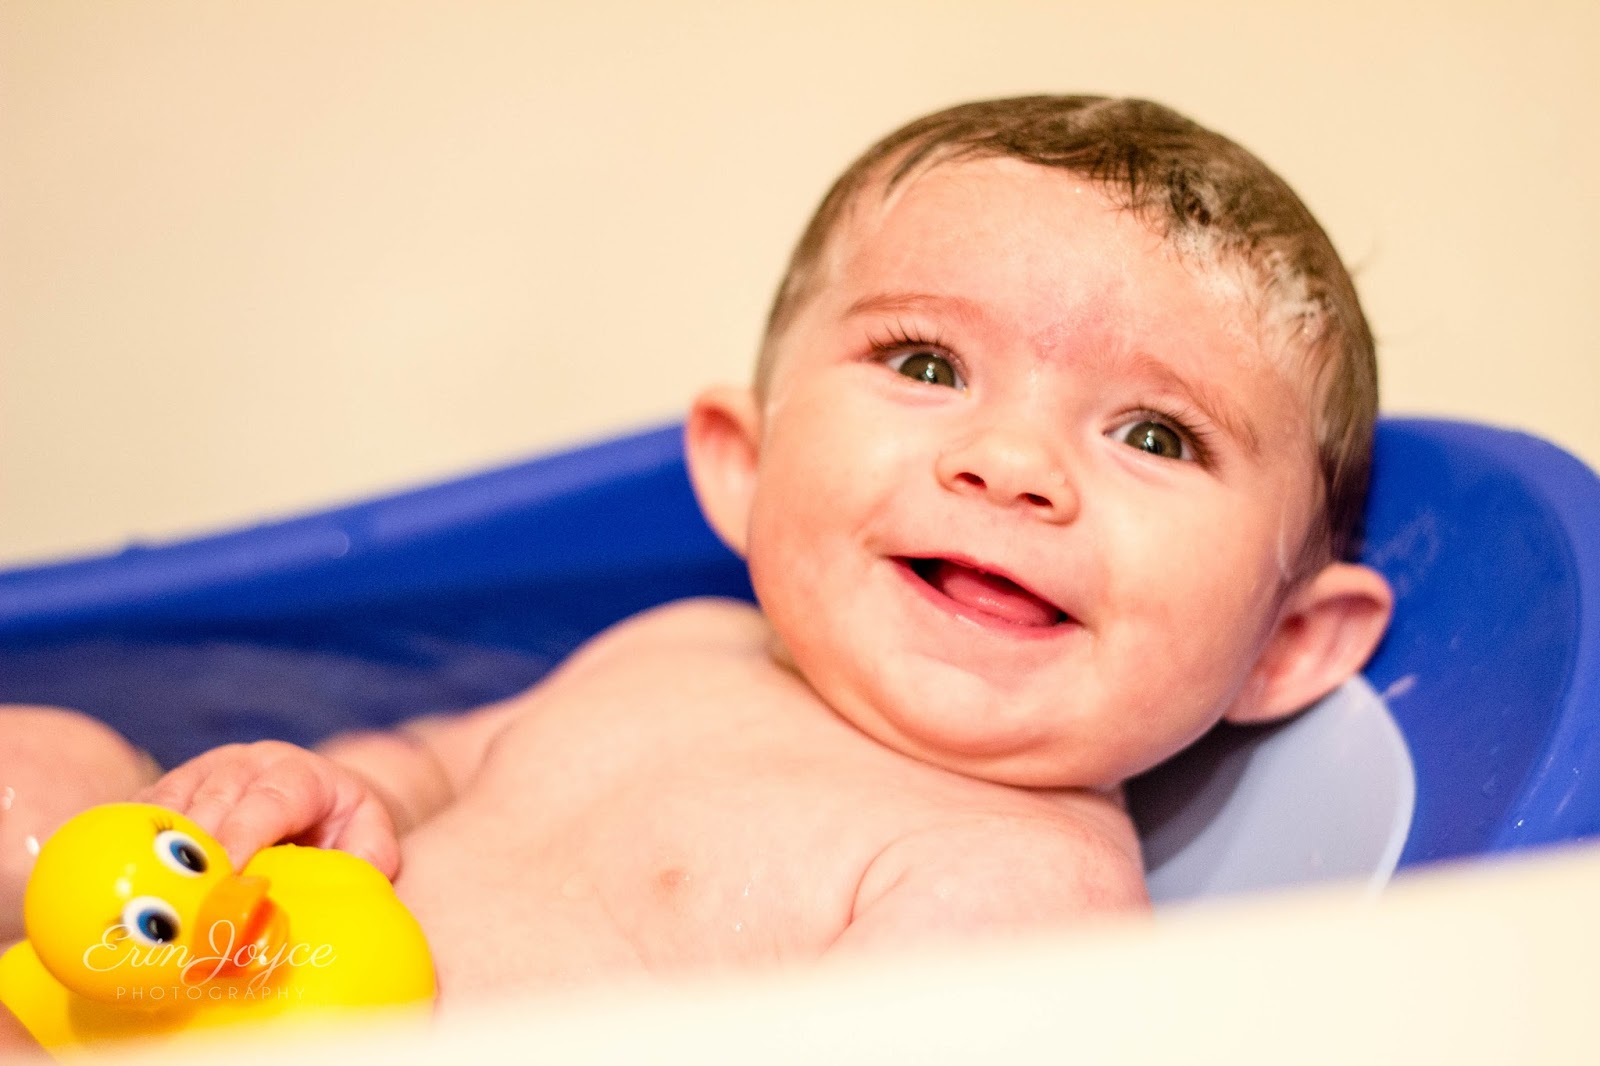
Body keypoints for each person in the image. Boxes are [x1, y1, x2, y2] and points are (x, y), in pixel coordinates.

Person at [1, 95, 1393, 1018]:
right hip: (170, 981)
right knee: (43, 768)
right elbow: (432, 764)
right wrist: (313, 791)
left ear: (1286, 644)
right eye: (926, 362)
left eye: (1155, 434)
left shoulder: (1020, 885)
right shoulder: (676, 647)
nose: (1011, 463)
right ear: (743, 462)